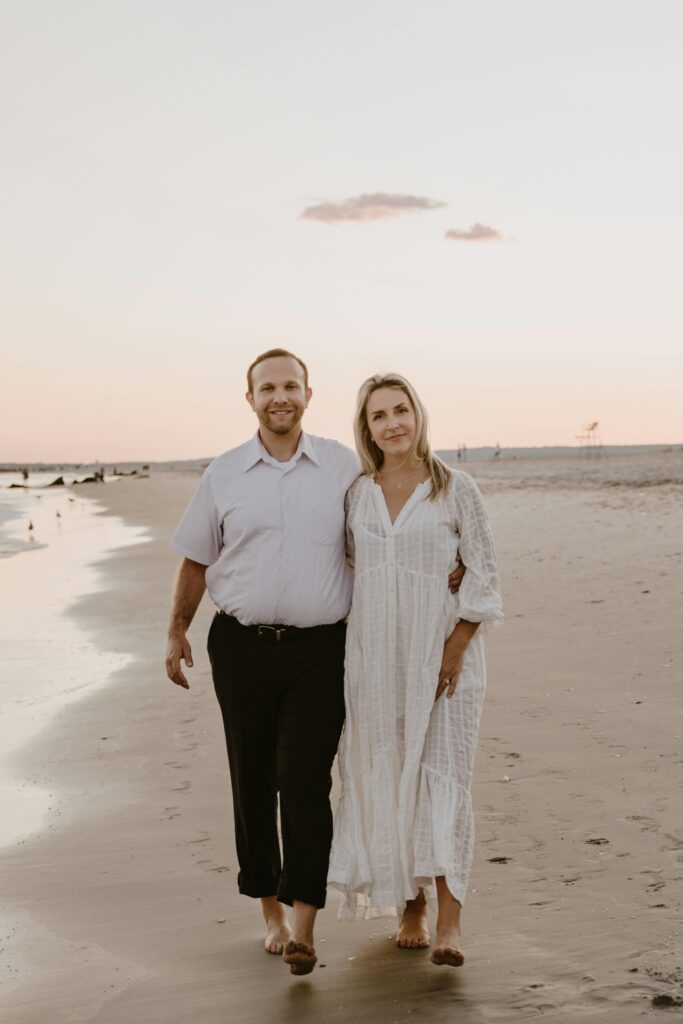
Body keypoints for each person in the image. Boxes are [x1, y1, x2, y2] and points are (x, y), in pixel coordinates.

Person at [165, 348, 467, 976]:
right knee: (252, 781)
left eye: (291, 386)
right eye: (267, 387)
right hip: (239, 645)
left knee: (304, 782)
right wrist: (175, 630)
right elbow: (196, 557)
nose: (280, 396)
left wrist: (450, 565)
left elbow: (395, 520)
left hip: (320, 651)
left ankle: (304, 925)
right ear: (250, 398)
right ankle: (271, 913)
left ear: (308, 394)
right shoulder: (224, 473)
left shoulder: (343, 466)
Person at [328, 373, 503, 968]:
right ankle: (411, 907)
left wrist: (456, 645)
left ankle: (450, 920)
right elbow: (348, 568)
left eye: (400, 410)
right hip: (377, 660)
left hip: (445, 658)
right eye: (379, 416)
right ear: (367, 427)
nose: (392, 424)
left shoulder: (455, 488)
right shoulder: (357, 495)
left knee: (443, 774)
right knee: (388, 773)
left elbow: (484, 571)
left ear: (418, 415)